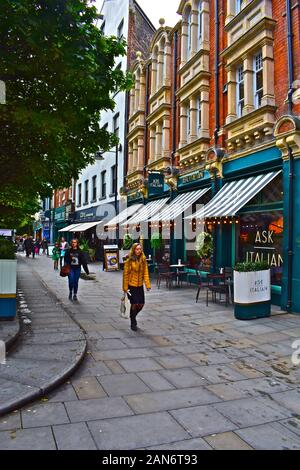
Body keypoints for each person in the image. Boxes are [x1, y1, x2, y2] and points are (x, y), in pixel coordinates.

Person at [123, 243, 151, 331]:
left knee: (141, 304)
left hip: (140, 285)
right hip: (131, 285)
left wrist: (147, 284)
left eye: (140, 249)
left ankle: (132, 316)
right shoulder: (129, 260)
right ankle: (133, 322)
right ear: (134, 250)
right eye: (137, 249)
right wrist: (125, 287)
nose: (139, 250)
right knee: (134, 304)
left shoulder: (143, 259)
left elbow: (145, 272)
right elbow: (126, 274)